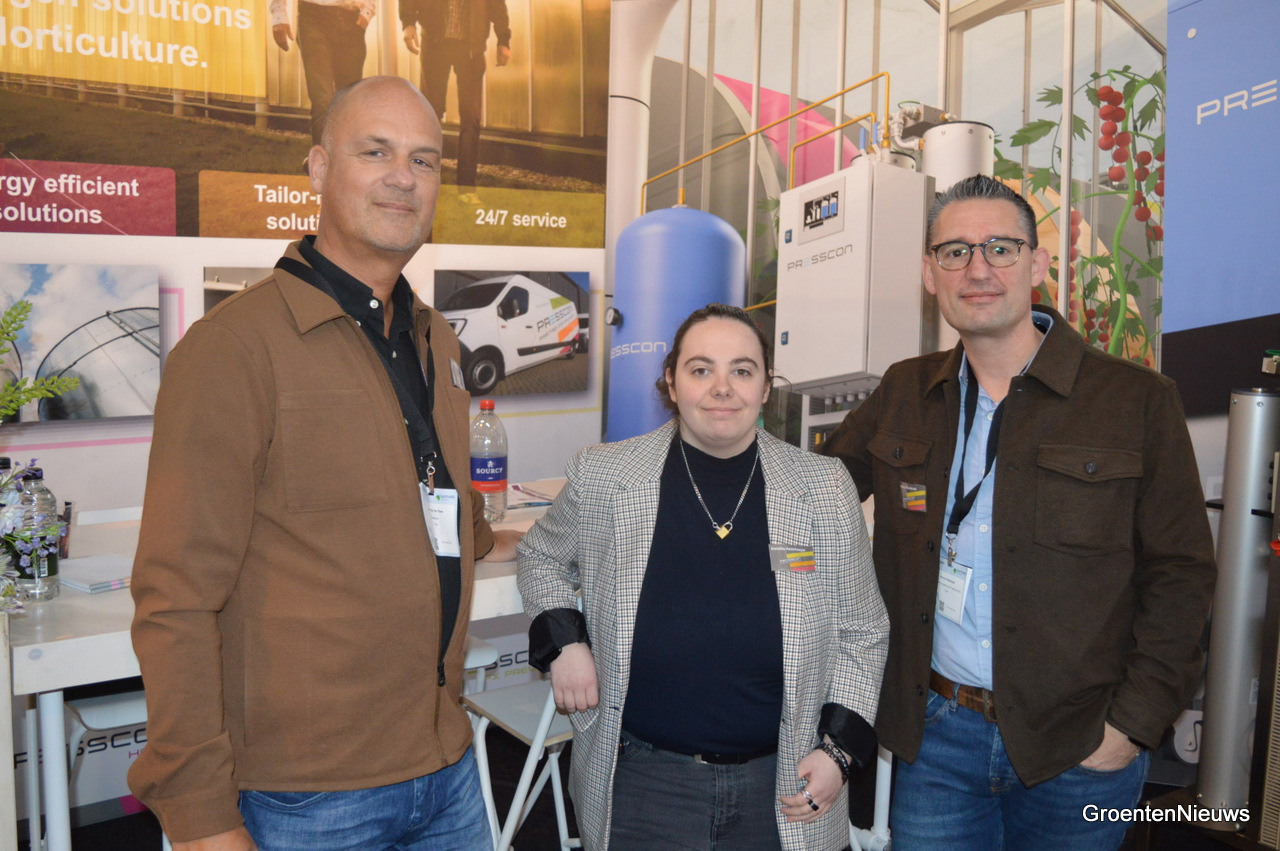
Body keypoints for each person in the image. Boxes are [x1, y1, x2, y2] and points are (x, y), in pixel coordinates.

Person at [128, 76, 520, 850]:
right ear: (316, 168)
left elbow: (431, 490)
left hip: (447, 765)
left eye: (424, 160)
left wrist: (488, 538)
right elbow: (175, 596)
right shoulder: (234, 348)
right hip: (309, 795)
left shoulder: (438, 340)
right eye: (375, 152)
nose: (403, 177)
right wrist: (201, 815)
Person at [821, 174, 1216, 850]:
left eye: (1000, 248)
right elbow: (808, 490)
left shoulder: (1136, 400)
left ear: (1037, 265)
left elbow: (1181, 576)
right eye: (955, 252)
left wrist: (1130, 727)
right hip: (936, 741)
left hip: (1078, 747)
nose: (978, 270)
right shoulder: (905, 391)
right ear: (929, 273)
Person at [517, 303, 890, 850]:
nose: (722, 388)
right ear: (671, 382)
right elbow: (540, 556)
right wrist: (565, 641)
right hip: (643, 786)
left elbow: (863, 630)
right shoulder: (605, 476)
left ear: (765, 386)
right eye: (700, 369)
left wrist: (838, 752)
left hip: (784, 785)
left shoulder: (824, 488)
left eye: (742, 370)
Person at [400, 0, 511, 201]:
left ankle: (467, 189)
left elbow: (497, 5)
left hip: (471, 50)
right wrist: (408, 23)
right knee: (430, 116)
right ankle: (422, 185)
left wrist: (503, 40)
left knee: (471, 118)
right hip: (435, 45)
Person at [269, 0, 374, 145]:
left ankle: (344, 155)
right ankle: (322, 156)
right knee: (322, 99)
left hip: (352, 18)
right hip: (313, 17)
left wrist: (368, 10)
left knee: (349, 100)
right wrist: (278, 15)